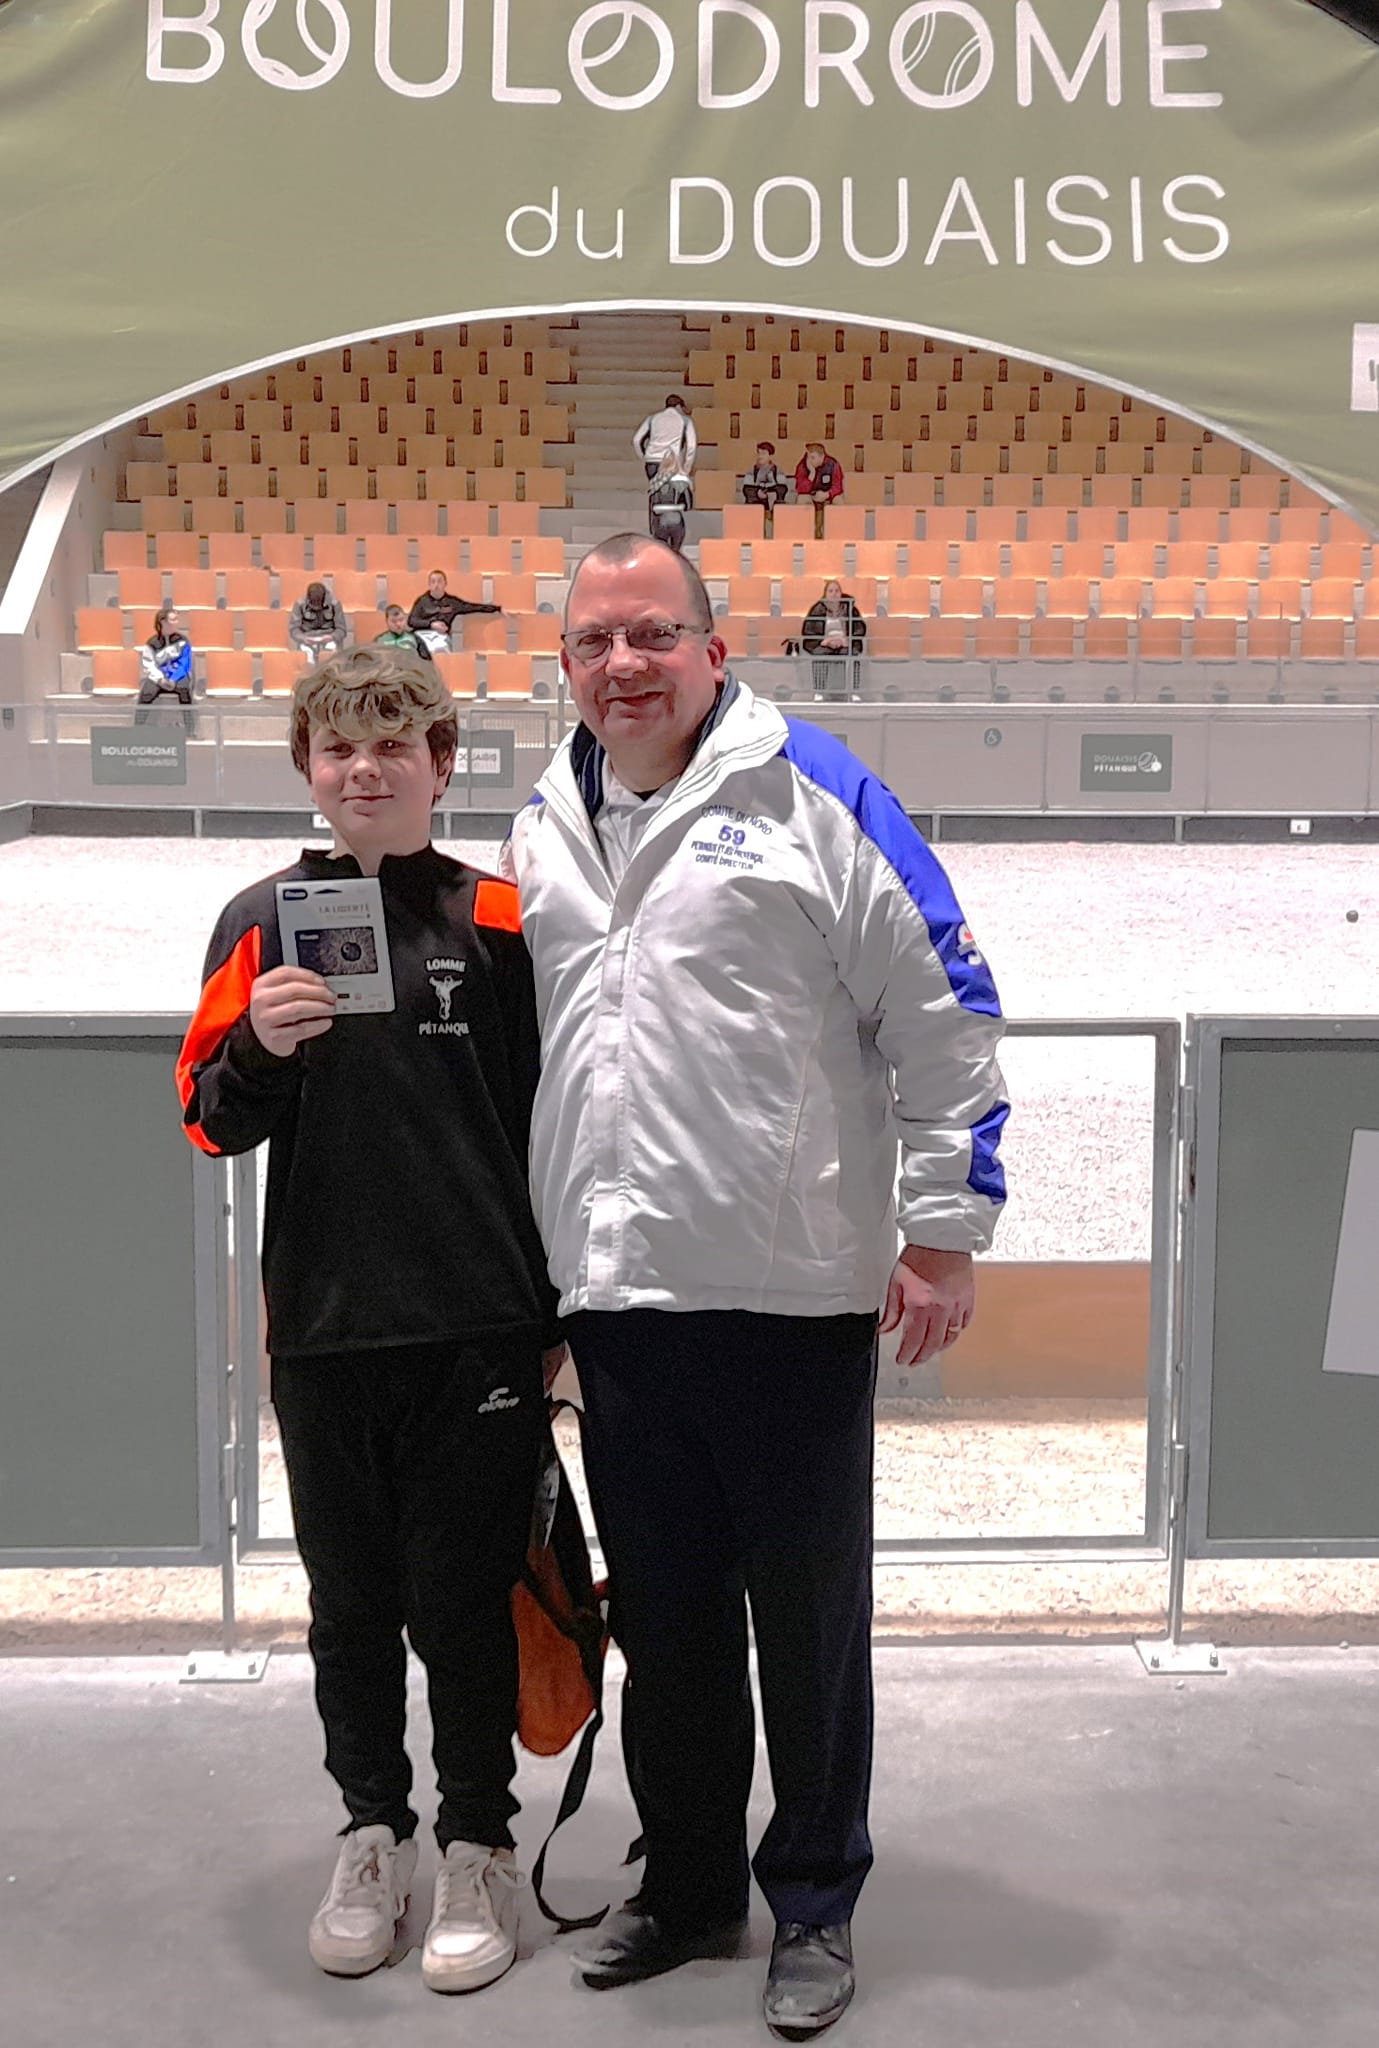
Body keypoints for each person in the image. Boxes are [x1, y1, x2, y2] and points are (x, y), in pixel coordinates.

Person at [504, 534, 1009, 2038]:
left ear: (714, 650)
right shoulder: (541, 822)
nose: (621, 665)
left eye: (650, 634)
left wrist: (941, 1231)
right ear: (566, 665)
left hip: (788, 1303)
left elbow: (944, 1009)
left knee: (806, 1631)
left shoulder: (814, 796)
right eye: (592, 642)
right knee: (664, 1629)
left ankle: (814, 1900)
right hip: (617, 1304)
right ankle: (687, 1885)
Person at [175, 646, 563, 1997]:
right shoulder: (258, 920)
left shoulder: (505, 917)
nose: (363, 768)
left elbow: (557, 1122)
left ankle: (476, 1844)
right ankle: (372, 1833)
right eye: (338, 747)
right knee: (348, 1607)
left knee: (464, 1604)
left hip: (477, 1325)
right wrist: (258, 1048)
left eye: (393, 744)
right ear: (307, 767)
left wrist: (557, 1317)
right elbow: (206, 1119)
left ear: (442, 763)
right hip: (328, 1328)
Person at [801, 577, 867, 698]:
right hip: (824, 642)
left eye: (837, 591)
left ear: (841, 593)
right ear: (825, 594)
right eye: (830, 591)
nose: (834, 593)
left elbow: (860, 628)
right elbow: (808, 630)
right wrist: (824, 641)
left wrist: (847, 640)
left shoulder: (850, 608)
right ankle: (819, 692)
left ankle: (853, 691)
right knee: (819, 654)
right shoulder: (817, 609)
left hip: (845, 642)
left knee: (852, 655)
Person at [407, 570, 501, 654]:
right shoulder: (422, 601)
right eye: (433, 582)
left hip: (441, 637)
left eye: (439, 581)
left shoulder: (452, 602)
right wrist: (431, 624)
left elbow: (472, 607)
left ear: (445, 583)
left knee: (440, 649)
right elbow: (411, 621)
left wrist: (497, 608)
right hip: (421, 635)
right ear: (429, 584)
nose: (436, 585)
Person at [135, 606, 194, 728]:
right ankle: (137, 728)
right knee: (146, 693)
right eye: (173, 620)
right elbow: (148, 664)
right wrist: (160, 679)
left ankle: (190, 730)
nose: (176, 622)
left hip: (178, 678)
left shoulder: (183, 641)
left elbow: (185, 663)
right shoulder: (151, 643)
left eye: (177, 619)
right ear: (163, 622)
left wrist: (173, 679)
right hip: (159, 679)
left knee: (185, 691)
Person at [632, 393, 696, 483]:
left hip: (652, 461)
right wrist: (686, 468)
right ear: (678, 406)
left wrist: (644, 456)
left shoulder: (652, 418)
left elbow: (636, 440)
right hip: (672, 462)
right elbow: (691, 446)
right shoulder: (685, 421)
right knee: (675, 489)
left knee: (654, 487)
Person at [646, 448, 694, 555]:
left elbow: (651, 507)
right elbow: (689, 505)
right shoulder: (682, 481)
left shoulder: (655, 483)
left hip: (660, 521)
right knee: (675, 553)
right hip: (676, 520)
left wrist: (651, 529)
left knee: (662, 553)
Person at [288, 581, 349, 664]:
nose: (316, 604)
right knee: (306, 659)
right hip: (307, 637)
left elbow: (341, 629)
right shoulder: (300, 604)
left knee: (331, 656)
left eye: (318, 601)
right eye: (314, 601)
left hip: (329, 637)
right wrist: (303, 638)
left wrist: (332, 637)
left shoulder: (335, 604)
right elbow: (294, 629)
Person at [793, 442, 845, 539]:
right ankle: (804, 534)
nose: (809, 460)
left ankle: (837, 535)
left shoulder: (833, 464)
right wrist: (811, 474)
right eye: (808, 457)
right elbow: (800, 488)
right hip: (811, 495)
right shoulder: (802, 465)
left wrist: (827, 494)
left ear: (822, 456)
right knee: (801, 499)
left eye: (813, 457)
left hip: (828, 495)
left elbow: (838, 486)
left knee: (839, 500)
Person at [740, 441, 789, 512]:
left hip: (772, 500)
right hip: (756, 501)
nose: (760, 456)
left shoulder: (778, 470)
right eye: (759, 453)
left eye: (763, 453)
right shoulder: (752, 470)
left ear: (770, 456)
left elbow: (782, 488)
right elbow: (747, 489)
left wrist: (769, 494)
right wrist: (757, 492)